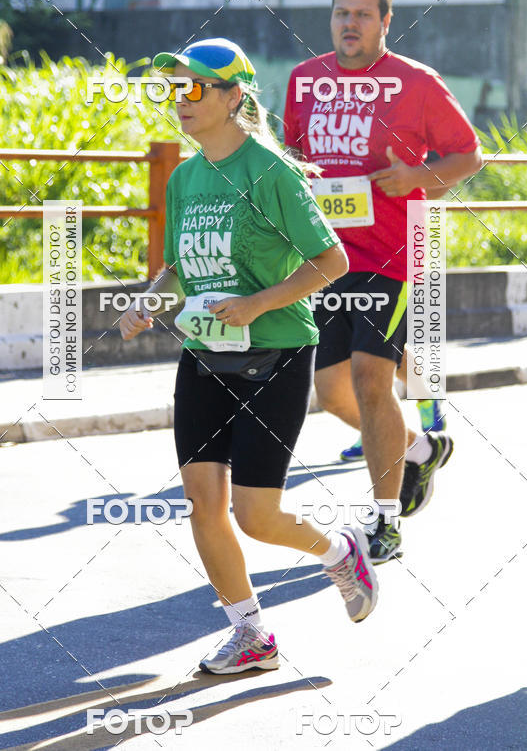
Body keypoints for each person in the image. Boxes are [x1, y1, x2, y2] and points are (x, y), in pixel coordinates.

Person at [119, 37, 378, 676]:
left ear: (234, 96)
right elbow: (180, 266)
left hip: (278, 351)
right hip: (206, 353)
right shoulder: (185, 175)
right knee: (202, 502)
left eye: (195, 88)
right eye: (175, 88)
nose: (181, 100)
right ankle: (251, 634)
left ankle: (340, 551)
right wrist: (150, 300)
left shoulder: (270, 172)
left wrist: (260, 303)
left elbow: (332, 262)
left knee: (256, 515)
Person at [283, 0, 482, 564]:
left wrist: (418, 177)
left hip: (392, 256)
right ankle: (420, 448)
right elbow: (292, 155)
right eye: (342, 13)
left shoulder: (415, 83)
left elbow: (468, 154)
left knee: (373, 377)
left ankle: (385, 520)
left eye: (363, 15)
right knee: (333, 394)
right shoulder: (304, 81)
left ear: (385, 22)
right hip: (325, 258)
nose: (351, 23)